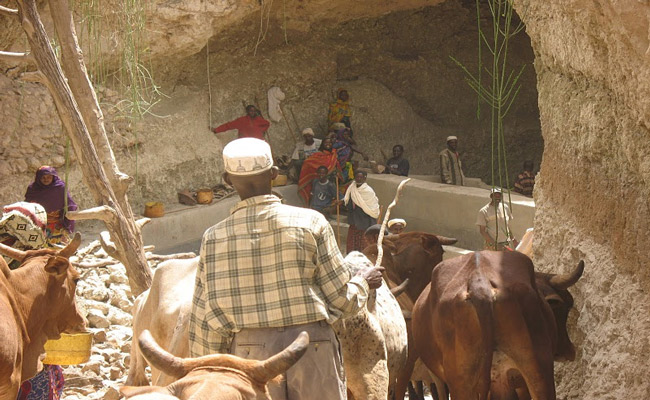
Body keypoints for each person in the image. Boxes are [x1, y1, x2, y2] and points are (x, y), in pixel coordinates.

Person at [189, 138, 385, 400]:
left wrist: (207, 375)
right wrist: (362, 280)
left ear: (227, 179)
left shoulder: (213, 238)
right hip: (312, 349)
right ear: (273, 174)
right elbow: (340, 300)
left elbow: (206, 322)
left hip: (249, 359)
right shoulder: (311, 223)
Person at [24, 166, 78, 245]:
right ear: (38, 178)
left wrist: (68, 220)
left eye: (49, 177)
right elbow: (27, 205)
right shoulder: (33, 189)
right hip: (38, 222)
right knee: (40, 245)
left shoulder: (60, 187)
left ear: (53, 177)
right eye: (43, 177)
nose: (46, 179)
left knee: (60, 246)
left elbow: (69, 204)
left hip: (57, 222)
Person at [344, 171, 380, 253]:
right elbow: (348, 204)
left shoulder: (368, 191)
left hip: (365, 221)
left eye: (361, 177)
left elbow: (372, 208)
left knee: (364, 244)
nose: (359, 179)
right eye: (357, 177)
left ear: (365, 178)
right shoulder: (351, 188)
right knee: (352, 244)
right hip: (354, 221)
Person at [297, 137, 340, 205]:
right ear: (322, 144)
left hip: (330, 179)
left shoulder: (334, 154)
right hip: (318, 178)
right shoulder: (318, 154)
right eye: (326, 143)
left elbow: (336, 166)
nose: (328, 144)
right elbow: (308, 162)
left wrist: (336, 172)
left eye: (330, 143)